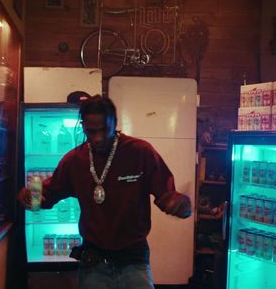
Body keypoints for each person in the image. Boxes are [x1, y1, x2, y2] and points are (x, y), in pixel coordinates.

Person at [17, 95, 192, 289]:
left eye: (104, 130)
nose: (98, 137)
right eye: (92, 131)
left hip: (134, 258)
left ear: (115, 123)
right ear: (83, 127)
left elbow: (167, 195)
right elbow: (45, 196)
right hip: (93, 260)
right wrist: (29, 196)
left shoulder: (140, 152)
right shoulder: (74, 161)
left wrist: (181, 205)